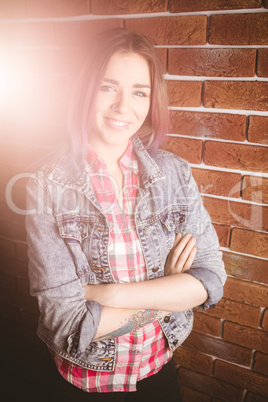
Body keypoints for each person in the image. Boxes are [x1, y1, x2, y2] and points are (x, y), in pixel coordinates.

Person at [25, 28, 226, 401]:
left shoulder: (175, 175)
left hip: (159, 373)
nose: (123, 106)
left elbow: (211, 278)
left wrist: (103, 294)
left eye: (139, 92)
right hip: (83, 382)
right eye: (108, 87)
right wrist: (168, 290)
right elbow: (67, 323)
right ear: (85, 91)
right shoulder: (46, 185)